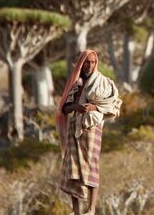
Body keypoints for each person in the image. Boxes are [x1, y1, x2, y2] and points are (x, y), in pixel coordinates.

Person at [56, 50, 122, 215]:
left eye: (92, 62)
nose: (89, 65)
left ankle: (91, 209)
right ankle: (76, 210)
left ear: (96, 63)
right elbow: (64, 107)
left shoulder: (103, 82)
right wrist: (76, 107)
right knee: (72, 166)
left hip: (92, 127)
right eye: (86, 62)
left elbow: (114, 104)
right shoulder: (75, 83)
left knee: (91, 165)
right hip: (74, 126)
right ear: (81, 63)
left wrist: (94, 107)